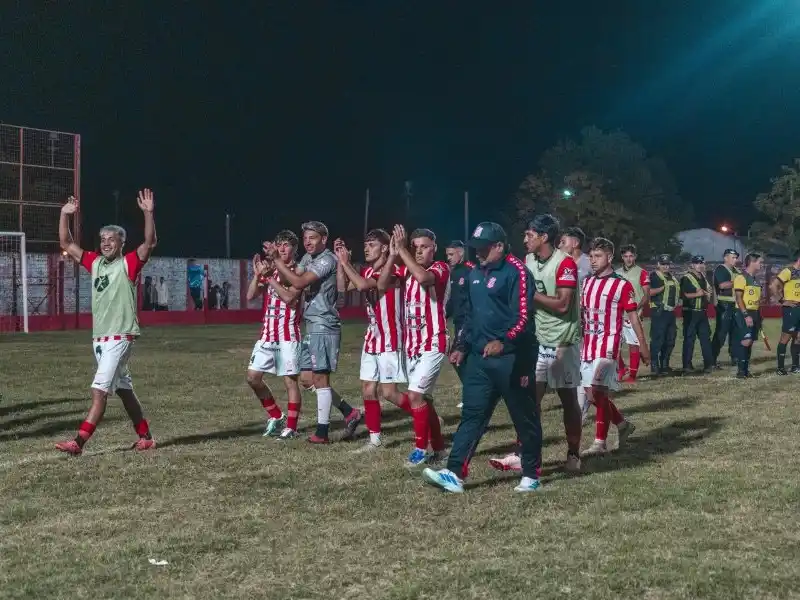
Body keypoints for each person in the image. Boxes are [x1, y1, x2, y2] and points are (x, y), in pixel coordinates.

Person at [422, 222, 542, 493]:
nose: (477, 253)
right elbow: (470, 316)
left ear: (499, 246)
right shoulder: (475, 273)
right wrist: (463, 345)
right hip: (479, 359)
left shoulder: (518, 272)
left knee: (524, 417)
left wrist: (504, 341)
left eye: (483, 248)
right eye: (474, 248)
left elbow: (524, 318)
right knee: (472, 415)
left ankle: (532, 473)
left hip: (513, 359)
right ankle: (454, 473)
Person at [55, 190, 157, 455]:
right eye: (102, 239)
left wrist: (148, 212)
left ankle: (78, 443)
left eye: (111, 239)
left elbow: (150, 242)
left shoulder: (129, 263)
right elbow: (66, 243)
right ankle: (145, 437)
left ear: (122, 243)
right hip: (99, 340)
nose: (106, 243)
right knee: (124, 390)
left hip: (119, 337)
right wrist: (64, 215)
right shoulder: (95, 262)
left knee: (99, 392)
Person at [488, 214, 581, 474]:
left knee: (568, 400)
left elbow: (563, 305)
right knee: (529, 401)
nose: (525, 239)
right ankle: (525, 454)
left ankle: (573, 453)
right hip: (537, 342)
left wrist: (530, 293)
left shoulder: (565, 264)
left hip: (563, 343)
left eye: (530, 234)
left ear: (544, 237)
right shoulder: (528, 260)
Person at [265, 221, 362, 443]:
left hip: (324, 324)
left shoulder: (327, 259)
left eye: (313, 237)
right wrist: (272, 269)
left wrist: (277, 262)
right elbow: (291, 290)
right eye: (306, 237)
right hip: (311, 323)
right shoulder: (308, 259)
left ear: (324, 240)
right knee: (308, 379)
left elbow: (298, 281)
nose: (308, 241)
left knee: (320, 376)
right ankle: (350, 412)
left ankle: (322, 432)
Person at [377, 225, 448, 467]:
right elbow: (382, 284)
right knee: (424, 400)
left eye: (424, 247)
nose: (418, 252)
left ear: (434, 249)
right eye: (414, 247)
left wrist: (404, 253)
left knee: (415, 395)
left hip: (434, 342)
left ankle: (421, 449)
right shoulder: (404, 269)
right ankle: (439, 449)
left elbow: (423, 277)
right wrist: (395, 255)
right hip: (413, 346)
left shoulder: (440, 268)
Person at [334, 229, 410, 452]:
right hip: (373, 338)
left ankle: (424, 414)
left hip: (390, 337)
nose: (366, 248)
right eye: (365, 244)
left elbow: (363, 286)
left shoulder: (393, 270)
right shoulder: (367, 270)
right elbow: (342, 290)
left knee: (390, 393)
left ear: (385, 248)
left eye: (371, 244)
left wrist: (347, 264)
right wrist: (341, 262)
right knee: (368, 389)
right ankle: (375, 439)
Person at [580, 238, 647, 457]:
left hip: (608, 346)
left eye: (597, 256)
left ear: (609, 258)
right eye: (591, 256)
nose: (592, 260)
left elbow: (633, 317)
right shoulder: (587, 282)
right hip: (588, 346)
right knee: (592, 396)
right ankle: (622, 424)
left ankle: (600, 443)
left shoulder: (621, 284)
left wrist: (642, 344)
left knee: (599, 390)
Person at [245, 230, 303, 438]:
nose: (282, 248)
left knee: (290, 381)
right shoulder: (272, 271)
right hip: (267, 335)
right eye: (280, 245)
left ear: (295, 249)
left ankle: (292, 427)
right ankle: (276, 416)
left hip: (287, 334)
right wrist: (257, 274)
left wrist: (269, 278)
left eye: (287, 245)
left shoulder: (298, 272)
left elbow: (290, 299)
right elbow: (251, 295)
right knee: (253, 377)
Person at [558, 225, 592, 421]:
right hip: (565, 320)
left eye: (564, 241)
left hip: (585, 321)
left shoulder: (589, 263)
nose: (560, 245)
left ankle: (581, 409)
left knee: (582, 364)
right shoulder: (560, 263)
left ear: (576, 243)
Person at [445, 240, 475, 402]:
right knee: (460, 359)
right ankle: (472, 392)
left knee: (457, 357)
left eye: (451, 254)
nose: (448, 258)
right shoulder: (454, 272)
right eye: (447, 255)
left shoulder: (471, 271)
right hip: (458, 322)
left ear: (461, 253)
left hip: (468, 322)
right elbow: (453, 300)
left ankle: (472, 394)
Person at [615, 244, 650, 382]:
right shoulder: (617, 273)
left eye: (631, 256)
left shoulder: (642, 273)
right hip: (617, 314)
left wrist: (635, 308)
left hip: (633, 315)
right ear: (622, 257)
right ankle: (622, 368)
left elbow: (646, 295)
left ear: (635, 257)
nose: (628, 259)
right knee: (613, 345)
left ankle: (632, 375)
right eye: (626, 256)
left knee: (633, 344)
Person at [732, 253, 764, 379]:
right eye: (760, 262)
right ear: (752, 262)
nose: (761, 264)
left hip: (754, 313)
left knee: (750, 342)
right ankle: (741, 371)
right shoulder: (741, 278)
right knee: (745, 341)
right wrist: (746, 315)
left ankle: (745, 370)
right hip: (744, 313)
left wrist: (759, 316)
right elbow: (739, 298)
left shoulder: (755, 279)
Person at [680, 256, 714, 373]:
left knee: (705, 339)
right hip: (690, 312)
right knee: (689, 339)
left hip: (702, 312)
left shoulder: (703, 277)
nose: (700, 265)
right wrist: (698, 294)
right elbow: (683, 295)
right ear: (692, 265)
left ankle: (709, 364)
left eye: (702, 263)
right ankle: (687, 365)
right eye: (697, 263)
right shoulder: (686, 278)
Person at [648, 255, 679, 375]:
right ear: (658, 265)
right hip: (659, 311)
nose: (666, 266)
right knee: (657, 339)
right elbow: (648, 292)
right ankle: (654, 365)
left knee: (670, 339)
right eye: (663, 264)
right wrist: (661, 288)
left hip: (670, 312)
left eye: (667, 264)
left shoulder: (672, 277)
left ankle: (665, 364)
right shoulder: (654, 276)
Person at [770, 250, 800, 375]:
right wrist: (782, 301)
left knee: (798, 338)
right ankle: (780, 368)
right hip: (791, 308)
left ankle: (795, 366)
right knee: (786, 337)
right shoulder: (789, 271)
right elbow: (773, 286)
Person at [711, 249, 741, 368]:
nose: (735, 260)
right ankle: (712, 359)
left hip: (735, 305)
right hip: (724, 305)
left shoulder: (736, 271)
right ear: (725, 258)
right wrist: (738, 281)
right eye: (733, 257)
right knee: (721, 333)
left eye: (736, 258)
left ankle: (735, 358)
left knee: (735, 333)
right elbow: (722, 285)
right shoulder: (721, 269)